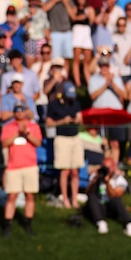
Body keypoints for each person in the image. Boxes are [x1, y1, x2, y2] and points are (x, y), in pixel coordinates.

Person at [0, 103, 42, 237]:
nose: (20, 113)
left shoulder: (33, 126)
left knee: (30, 195)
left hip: (30, 165)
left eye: (22, 110)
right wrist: (18, 133)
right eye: (17, 111)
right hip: (14, 166)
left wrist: (27, 134)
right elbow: (5, 143)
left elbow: (38, 142)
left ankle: (28, 224)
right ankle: (7, 225)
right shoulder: (8, 127)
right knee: (12, 196)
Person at [46, 81, 84, 209]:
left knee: (75, 171)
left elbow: (80, 117)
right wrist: (62, 121)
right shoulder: (54, 105)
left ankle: (74, 198)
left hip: (75, 137)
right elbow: (49, 123)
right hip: (62, 138)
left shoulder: (76, 103)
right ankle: (65, 198)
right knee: (65, 170)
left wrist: (77, 120)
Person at [84, 157, 131, 236]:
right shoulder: (96, 176)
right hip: (98, 207)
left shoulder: (119, 179)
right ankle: (101, 223)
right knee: (92, 197)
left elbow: (116, 195)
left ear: (113, 167)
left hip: (111, 208)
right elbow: (87, 192)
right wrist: (94, 182)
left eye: (108, 168)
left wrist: (107, 183)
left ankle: (129, 223)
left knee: (116, 200)